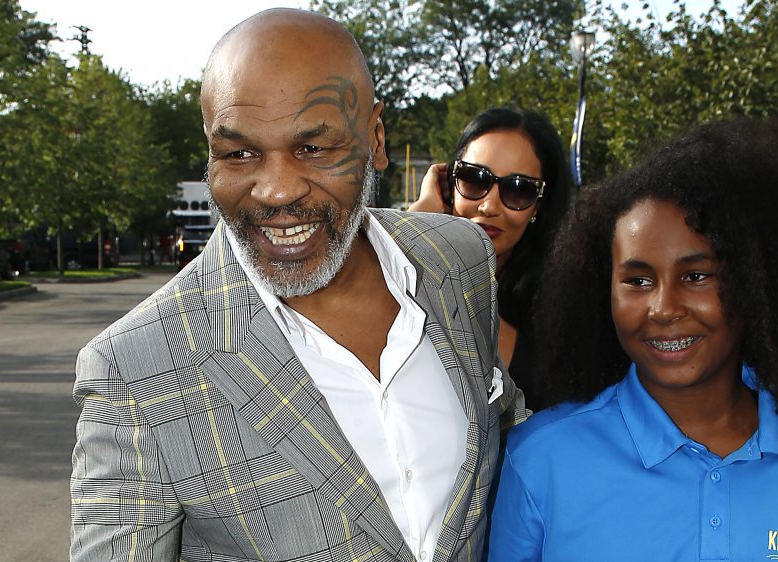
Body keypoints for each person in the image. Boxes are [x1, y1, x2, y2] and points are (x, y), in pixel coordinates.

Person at [69, 9, 524, 562]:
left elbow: (500, 432)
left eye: (314, 148)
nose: (277, 190)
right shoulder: (133, 368)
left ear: (375, 139)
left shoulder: (460, 258)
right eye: (239, 153)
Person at [488, 118, 778, 561]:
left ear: (758, 285)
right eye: (637, 280)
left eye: (696, 276)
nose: (664, 307)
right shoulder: (542, 458)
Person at [409, 107, 572, 411]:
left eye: (519, 190)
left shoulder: (560, 305)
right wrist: (418, 221)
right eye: (473, 179)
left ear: (539, 206)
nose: (488, 206)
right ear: (449, 187)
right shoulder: (417, 265)